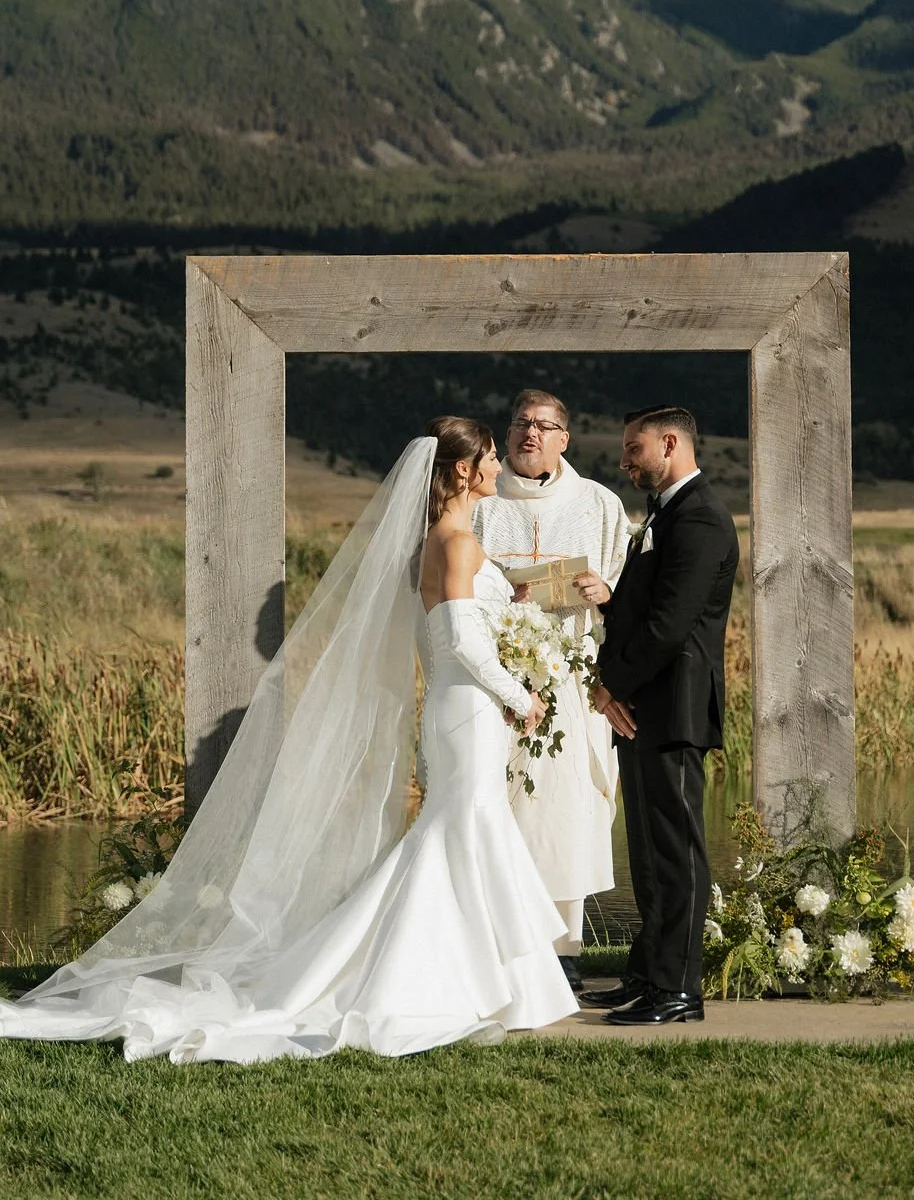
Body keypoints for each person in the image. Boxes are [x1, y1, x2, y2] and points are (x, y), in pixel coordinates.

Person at [0, 417, 577, 1061]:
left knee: (459, 831)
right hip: (470, 707)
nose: (498, 465)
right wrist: (521, 695)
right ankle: (446, 980)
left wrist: (511, 614)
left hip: (455, 706)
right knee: (464, 829)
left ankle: (480, 977)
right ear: (464, 470)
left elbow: (455, 630)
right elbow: (463, 640)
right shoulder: (461, 543)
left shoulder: (433, 544)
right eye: (491, 456)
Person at [580, 404, 739, 1026]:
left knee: (677, 852)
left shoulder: (700, 518)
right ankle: (648, 976)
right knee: (648, 854)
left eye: (634, 448)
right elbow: (643, 610)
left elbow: (671, 626)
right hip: (644, 705)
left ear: (670, 444)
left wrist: (609, 686)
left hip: (674, 707)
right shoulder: (664, 514)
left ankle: (679, 990)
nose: (624, 460)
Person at [473, 389, 632, 985]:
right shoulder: (482, 506)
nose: (530, 433)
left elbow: (630, 593)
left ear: (565, 438)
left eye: (544, 425)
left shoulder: (600, 505)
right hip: (500, 684)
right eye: (521, 422)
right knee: (505, 808)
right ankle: (502, 951)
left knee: (565, 814)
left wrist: (607, 595)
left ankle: (564, 954)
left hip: (571, 685)